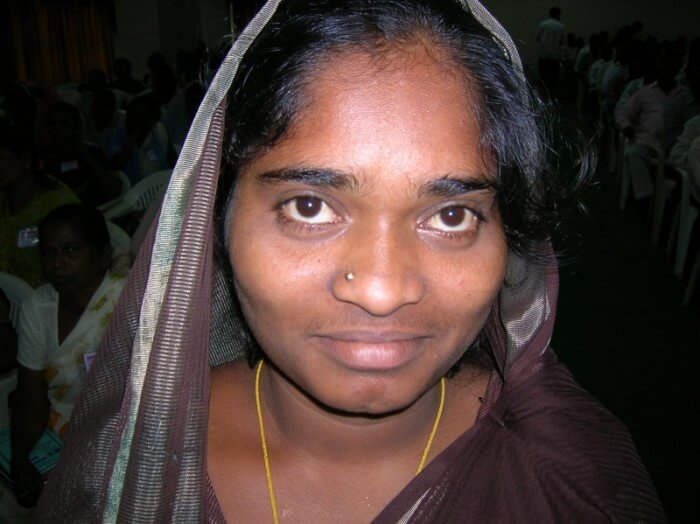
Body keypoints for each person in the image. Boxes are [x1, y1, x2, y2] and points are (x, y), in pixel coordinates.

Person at [36, 1, 665, 521]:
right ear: (216, 218)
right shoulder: (132, 470)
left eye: (451, 215)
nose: (381, 292)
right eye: (309, 207)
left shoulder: (572, 479)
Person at [10, 204, 125, 508]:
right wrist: (21, 460)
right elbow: (31, 393)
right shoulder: (38, 307)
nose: (58, 263)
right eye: (49, 253)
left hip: (122, 431)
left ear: (103, 255)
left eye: (72, 250)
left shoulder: (127, 301)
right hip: (61, 429)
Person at [0, 120, 80, 287]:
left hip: (44, 295)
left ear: (26, 160)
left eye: (1, 159)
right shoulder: (4, 196)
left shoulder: (58, 208)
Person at [535, 6, 566, 96]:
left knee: (543, 79)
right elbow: (563, 41)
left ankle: (542, 96)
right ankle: (551, 97)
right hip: (555, 57)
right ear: (558, 15)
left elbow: (538, 38)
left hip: (543, 55)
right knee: (553, 80)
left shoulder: (543, 24)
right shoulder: (561, 26)